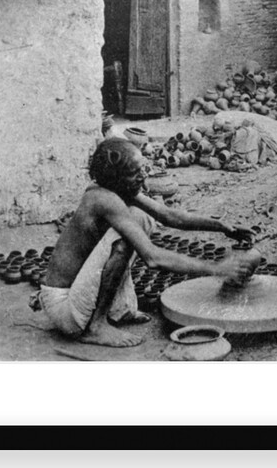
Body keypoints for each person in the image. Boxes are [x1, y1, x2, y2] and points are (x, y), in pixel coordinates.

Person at [33, 138, 258, 347]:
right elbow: (153, 258)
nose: (143, 175)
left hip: (73, 296)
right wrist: (216, 268)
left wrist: (224, 227)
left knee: (140, 217)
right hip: (64, 309)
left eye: (143, 168)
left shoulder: (119, 189)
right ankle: (96, 326)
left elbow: (170, 216)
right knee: (125, 239)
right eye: (135, 172)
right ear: (116, 177)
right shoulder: (103, 199)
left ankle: (117, 310)